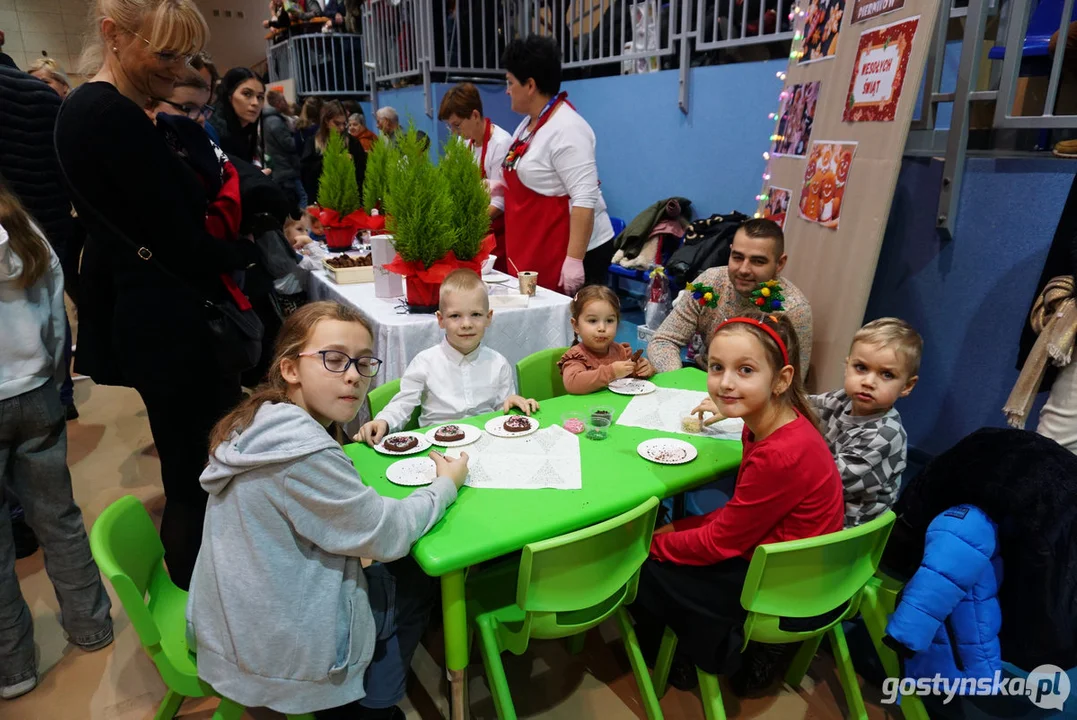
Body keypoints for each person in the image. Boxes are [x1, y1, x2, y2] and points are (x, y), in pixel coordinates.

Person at [55, 0, 255, 590]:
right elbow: (180, 239)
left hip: (155, 315)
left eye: (185, 55)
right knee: (200, 469)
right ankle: (207, 607)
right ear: (113, 35)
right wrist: (245, 252)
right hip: (171, 322)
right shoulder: (107, 114)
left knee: (191, 461)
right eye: (164, 53)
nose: (175, 69)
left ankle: (207, 597)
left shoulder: (95, 111)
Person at [187, 302, 468, 719]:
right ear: (290, 369)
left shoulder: (262, 421)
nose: (353, 375)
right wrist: (446, 485)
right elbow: (386, 534)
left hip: (236, 619)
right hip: (279, 650)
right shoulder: (302, 455)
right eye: (334, 360)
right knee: (415, 573)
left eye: (362, 362)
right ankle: (372, 706)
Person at [629, 313, 842, 692]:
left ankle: (690, 656)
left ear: (781, 380)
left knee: (639, 568)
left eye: (745, 370)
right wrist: (677, 529)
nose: (725, 383)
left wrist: (651, 543)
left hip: (780, 581)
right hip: (785, 560)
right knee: (672, 538)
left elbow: (722, 542)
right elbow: (739, 517)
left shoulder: (779, 452)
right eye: (716, 367)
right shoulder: (770, 424)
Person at [0, 183, 113, 700]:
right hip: (35, 391)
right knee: (59, 517)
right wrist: (49, 371)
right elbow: (53, 309)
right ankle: (92, 626)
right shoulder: (23, 229)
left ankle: (14, 667)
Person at [357, 269, 539, 445]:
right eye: (455, 316)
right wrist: (383, 421)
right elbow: (403, 403)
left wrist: (514, 404)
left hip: (487, 442)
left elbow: (502, 410)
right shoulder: (425, 362)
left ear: (488, 317)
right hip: (438, 447)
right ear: (440, 319)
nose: (466, 324)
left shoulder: (498, 363)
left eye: (475, 314)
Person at [501, 35, 615, 295]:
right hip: (540, 243)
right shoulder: (528, 124)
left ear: (530, 85)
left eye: (510, 82)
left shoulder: (568, 129)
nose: (507, 90)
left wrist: (574, 260)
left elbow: (584, 198)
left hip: (577, 251)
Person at [0, 58, 81, 418]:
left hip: (20, 219)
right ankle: (60, 398)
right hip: (47, 224)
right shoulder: (43, 98)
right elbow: (66, 169)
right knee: (49, 310)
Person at [647, 218, 813, 380]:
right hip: (704, 379)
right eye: (738, 257)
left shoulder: (793, 310)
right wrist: (678, 383)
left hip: (757, 398)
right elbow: (663, 341)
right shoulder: (709, 283)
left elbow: (790, 384)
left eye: (758, 261)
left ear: (780, 263)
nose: (744, 269)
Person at [809, 318, 921, 527]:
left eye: (887, 374)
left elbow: (825, 481)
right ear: (847, 365)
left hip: (846, 528)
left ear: (907, 385)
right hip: (823, 505)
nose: (868, 382)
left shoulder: (885, 435)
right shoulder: (842, 399)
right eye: (861, 367)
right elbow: (802, 407)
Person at [438, 82, 512, 272]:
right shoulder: (463, 143)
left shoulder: (501, 144)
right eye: (450, 127)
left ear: (475, 115)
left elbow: (499, 202)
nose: (454, 132)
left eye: (456, 125)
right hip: (475, 232)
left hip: (497, 234)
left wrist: (468, 227)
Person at [558, 285, 654, 394]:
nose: (602, 328)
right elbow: (573, 383)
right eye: (593, 321)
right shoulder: (576, 356)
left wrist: (642, 370)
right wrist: (611, 372)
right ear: (576, 326)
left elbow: (629, 380)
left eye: (609, 321)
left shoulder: (620, 351)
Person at [301, 100, 367, 207]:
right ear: (326, 121)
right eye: (337, 123)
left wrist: (352, 162)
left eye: (344, 124)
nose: (341, 128)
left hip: (349, 201)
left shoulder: (353, 143)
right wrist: (330, 161)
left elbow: (362, 174)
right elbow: (305, 172)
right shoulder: (313, 143)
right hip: (321, 201)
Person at [210, 67, 266, 167]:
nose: (255, 103)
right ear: (229, 96)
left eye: (260, 97)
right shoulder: (214, 132)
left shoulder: (245, 130)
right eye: (247, 94)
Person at [263, 89, 302, 208]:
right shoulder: (275, 121)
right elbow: (289, 144)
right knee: (301, 200)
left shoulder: (270, 119)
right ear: (279, 103)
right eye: (283, 99)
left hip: (281, 168)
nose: (286, 102)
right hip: (286, 168)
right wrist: (300, 139)